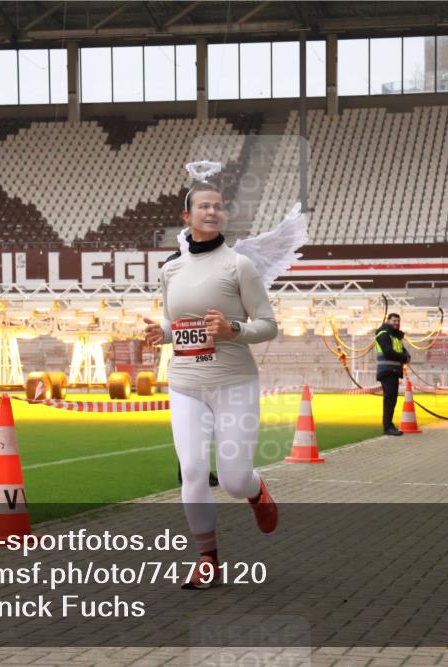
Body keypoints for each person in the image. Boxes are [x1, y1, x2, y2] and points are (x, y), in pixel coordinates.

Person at [143, 180, 278, 590]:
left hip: (234, 382)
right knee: (194, 473)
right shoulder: (170, 269)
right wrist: (161, 333)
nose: (213, 212)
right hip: (185, 384)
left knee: (234, 480)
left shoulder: (240, 265)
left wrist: (232, 327)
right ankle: (207, 558)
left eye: (218, 206)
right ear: (187, 216)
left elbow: (268, 325)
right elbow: (176, 322)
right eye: (204, 206)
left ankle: (255, 490)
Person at [374, 313, 411, 436]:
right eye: (394, 320)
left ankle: (389, 425)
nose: (396, 323)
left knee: (392, 400)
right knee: (390, 399)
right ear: (388, 320)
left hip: (393, 371)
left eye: (398, 321)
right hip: (387, 371)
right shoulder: (383, 334)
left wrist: (406, 356)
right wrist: (404, 358)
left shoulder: (394, 337)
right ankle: (387, 427)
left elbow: (402, 350)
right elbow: (388, 352)